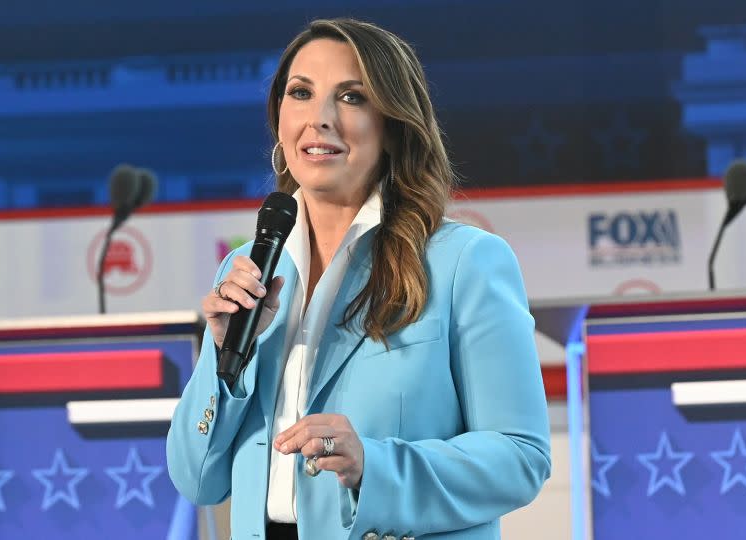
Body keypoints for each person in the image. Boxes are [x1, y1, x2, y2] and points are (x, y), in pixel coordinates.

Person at [167, 18, 550, 540]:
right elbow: (196, 480)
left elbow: (521, 458)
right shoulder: (251, 271)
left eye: (351, 97)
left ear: (392, 122)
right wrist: (224, 362)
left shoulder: (466, 262)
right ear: (279, 118)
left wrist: (376, 465)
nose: (319, 119)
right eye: (300, 93)